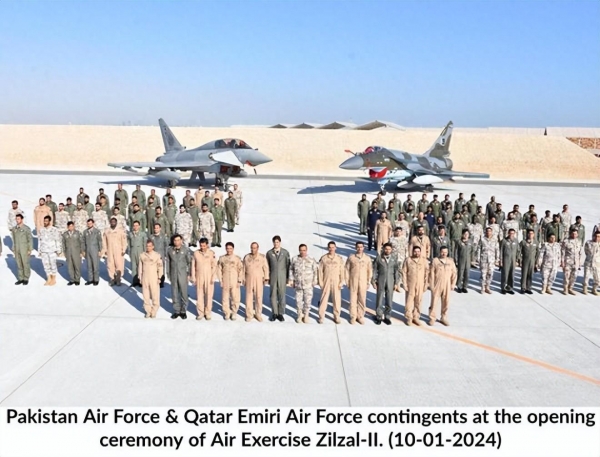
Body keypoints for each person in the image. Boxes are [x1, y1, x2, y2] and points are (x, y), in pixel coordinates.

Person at [288, 244, 318, 324]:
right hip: (298, 284)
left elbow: (315, 270)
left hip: (308, 284)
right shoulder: (295, 259)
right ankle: (299, 314)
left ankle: (306, 314)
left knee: (307, 301)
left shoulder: (311, 259)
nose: (302, 252)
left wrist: (315, 281)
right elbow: (291, 270)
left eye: (304, 250)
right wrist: (291, 280)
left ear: (306, 250)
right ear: (299, 250)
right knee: (298, 301)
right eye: (301, 250)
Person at [372, 242, 400, 325]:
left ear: (391, 250)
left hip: (390, 281)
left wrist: (396, 282)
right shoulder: (378, 258)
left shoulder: (394, 259)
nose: (387, 250)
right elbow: (374, 270)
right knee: (379, 298)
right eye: (386, 249)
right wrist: (373, 281)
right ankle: (378, 316)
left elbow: (396, 271)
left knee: (389, 299)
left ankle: (387, 316)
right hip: (381, 280)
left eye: (389, 249)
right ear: (383, 249)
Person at [317, 241, 345, 324]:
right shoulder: (324, 258)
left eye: (333, 247)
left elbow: (342, 271)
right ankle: (321, 316)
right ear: (327, 248)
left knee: (336, 299)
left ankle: (336, 316)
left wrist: (341, 282)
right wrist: (320, 282)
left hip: (336, 281)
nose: (331, 249)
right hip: (326, 280)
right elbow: (320, 271)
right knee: (324, 299)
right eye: (330, 247)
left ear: (335, 248)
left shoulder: (339, 258)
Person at [345, 241, 372, 325]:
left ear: (363, 248)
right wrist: (347, 281)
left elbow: (369, 271)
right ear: (355, 247)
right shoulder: (351, 257)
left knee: (362, 300)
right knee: (353, 300)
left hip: (363, 281)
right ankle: (353, 316)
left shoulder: (367, 258)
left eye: (361, 247)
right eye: (358, 247)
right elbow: (347, 270)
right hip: (353, 281)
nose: (359, 248)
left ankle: (360, 316)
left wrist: (368, 282)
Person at [429, 246, 456, 326]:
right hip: (437, 283)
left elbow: (454, 273)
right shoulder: (435, 261)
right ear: (440, 252)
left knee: (446, 302)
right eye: (442, 252)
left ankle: (443, 317)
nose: (444, 254)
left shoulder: (450, 261)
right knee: (434, 301)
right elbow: (431, 273)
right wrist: (431, 285)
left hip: (447, 284)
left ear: (447, 253)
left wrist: (453, 284)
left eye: (445, 252)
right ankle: (432, 318)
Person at [191, 238, 217, 320]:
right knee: (199, 295)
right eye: (201, 245)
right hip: (199, 276)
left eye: (204, 246)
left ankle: (208, 312)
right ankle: (200, 313)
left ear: (207, 245)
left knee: (209, 295)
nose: (202, 247)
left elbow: (214, 266)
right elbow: (193, 266)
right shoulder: (196, 253)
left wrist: (213, 277)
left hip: (209, 276)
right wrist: (193, 277)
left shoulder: (211, 253)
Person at [402, 245, 429, 326]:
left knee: (418, 301)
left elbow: (427, 273)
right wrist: (404, 284)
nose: (417, 253)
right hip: (411, 284)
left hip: (420, 284)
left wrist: (426, 284)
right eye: (415, 251)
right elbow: (404, 272)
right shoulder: (408, 260)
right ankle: (409, 317)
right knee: (409, 301)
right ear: (412, 252)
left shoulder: (424, 261)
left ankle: (416, 317)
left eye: (418, 251)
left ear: (420, 252)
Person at [242, 242, 269, 322]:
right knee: (248, 297)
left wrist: (266, 278)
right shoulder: (247, 257)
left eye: (254, 248)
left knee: (258, 297)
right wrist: (243, 278)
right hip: (249, 278)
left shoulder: (262, 257)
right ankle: (249, 314)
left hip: (259, 279)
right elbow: (243, 268)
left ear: (257, 248)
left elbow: (266, 268)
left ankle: (258, 314)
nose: (253, 249)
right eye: (252, 248)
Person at [167, 234, 192, 319]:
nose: (177, 242)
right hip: (173, 274)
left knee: (183, 293)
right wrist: (168, 273)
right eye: (175, 240)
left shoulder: (185, 250)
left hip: (183, 274)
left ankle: (183, 310)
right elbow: (168, 262)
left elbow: (189, 262)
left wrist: (189, 274)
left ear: (181, 241)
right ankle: (176, 310)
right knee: (174, 293)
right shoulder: (170, 250)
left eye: (178, 240)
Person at [266, 236, 290, 321]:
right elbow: (267, 266)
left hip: (282, 277)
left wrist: (287, 277)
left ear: (280, 242)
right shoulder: (269, 253)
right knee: (273, 295)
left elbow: (288, 265)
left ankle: (280, 313)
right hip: (273, 276)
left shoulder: (285, 252)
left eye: (277, 242)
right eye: (274, 242)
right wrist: (267, 277)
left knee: (282, 295)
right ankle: (274, 313)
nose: (276, 244)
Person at [217, 242, 244, 320]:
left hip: (234, 280)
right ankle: (227, 312)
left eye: (230, 248)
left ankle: (234, 312)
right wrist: (220, 280)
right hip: (225, 280)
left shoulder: (237, 259)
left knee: (235, 297)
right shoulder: (222, 258)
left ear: (233, 249)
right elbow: (219, 270)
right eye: (227, 248)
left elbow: (241, 270)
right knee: (225, 298)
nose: (229, 250)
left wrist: (239, 280)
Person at [138, 240, 163, 318]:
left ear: (153, 247)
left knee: (155, 295)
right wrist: (140, 277)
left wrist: (159, 277)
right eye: (147, 246)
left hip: (154, 277)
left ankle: (154, 310)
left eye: (150, 246)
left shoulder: (157, 255)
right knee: (146, 295)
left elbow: (160, 267)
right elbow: (140, 267)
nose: (148, 247)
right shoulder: (142, 255)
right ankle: (148, 311)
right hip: (145, 277)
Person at [102, 217, 127, 287]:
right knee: (110, 264)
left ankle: (118, 278)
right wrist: (105, 250)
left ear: (116, 223)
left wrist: (124, 249)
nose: (113, 223)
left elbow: (124, 241)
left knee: (119, 264)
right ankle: (112, 278)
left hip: (118, 250)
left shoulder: (120, 231)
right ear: (110, 223)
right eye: (112, 222)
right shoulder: (107, 231)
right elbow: (104, 241)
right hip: (110, 250)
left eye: (114, 222)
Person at [38, 215, 62, 286]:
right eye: (44, 221)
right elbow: (40, 240)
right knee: (46, 265)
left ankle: (53, 279)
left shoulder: (54, 229)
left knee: (53, 264)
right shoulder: (41, 230)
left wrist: (58, 249)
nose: (45, 222)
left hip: (52, 250)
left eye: (46, 221)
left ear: (49, 221)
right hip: (44, 250)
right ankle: (48, 278)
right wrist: (39, 250)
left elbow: (57, 240)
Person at [12, 214, 33, 285]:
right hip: (17, 248)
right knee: (19, 264)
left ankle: (26, 278)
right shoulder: (14, 229)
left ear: (22, 219)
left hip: (24, 248)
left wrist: (30, 249)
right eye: (16, 219)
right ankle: (20, 278)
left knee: (25, 263)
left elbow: (30, 239)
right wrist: (14, 248)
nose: (17, 220)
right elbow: (13, 239)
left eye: (18, 219)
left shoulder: (26, 228)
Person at [518, 229, 539, 294]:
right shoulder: (523, 242)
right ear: (527, 234)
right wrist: (519, 260)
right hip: (525, 260)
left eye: (532, 233)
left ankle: (528, 288)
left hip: (532, 261)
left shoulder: (536, 242)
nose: (530, 235)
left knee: (530, 275)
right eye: (529, 233)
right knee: (524, 274)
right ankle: (523, 288)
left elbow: (538, 253)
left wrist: (536, 262)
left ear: (534, 234)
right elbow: (519, 251)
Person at [561, 228, 582, 295]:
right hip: (568, 261)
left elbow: (580, 253)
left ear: (577, 234)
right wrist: (562, 262)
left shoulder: (579, 241)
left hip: (576, 262)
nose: (574, 235)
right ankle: (565, 289)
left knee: (574, 276)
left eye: (575, 234)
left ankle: (570, 288)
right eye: (573, 234)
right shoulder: (566, 241)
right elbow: (563, 252)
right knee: (566, 276)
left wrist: (580, 262)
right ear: (570, 234)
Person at [479, 227, 500, 294]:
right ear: (485, 232)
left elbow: (497, 249)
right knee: (483, 274)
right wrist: (478, 259)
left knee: (490, 274)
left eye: (490, 231)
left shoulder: (495, 240)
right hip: (484, 259)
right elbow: (479, 249)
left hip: (491, 260)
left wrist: (497, 259)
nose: (488, 232)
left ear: (491, 232)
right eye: (487, 231)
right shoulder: (482, 239)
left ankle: (487, 287)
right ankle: (482, 287)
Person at [62, 221, 83, 286]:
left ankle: (77, 279)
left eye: (72, 226)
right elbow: (63, 244)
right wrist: (64, 252)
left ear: (74, 226)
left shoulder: (78, 233)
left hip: (76, 252)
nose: (71, 227)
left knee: (77, 266)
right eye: (69, 226)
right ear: (67, 227)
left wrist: (81, 252)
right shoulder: (65, 234)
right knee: (70, 267)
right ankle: (72, 279)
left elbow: (81, 243)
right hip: (68, 252)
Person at [82, 219, 102, 286]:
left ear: (93, 223)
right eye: (88, 223)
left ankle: (96, 279)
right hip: (88, 250)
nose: (89, 225)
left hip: (95, 250)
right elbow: (83, 241)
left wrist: (100, 250)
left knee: (95, 266)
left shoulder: (97, 231)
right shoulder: (85, 232)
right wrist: (83, 250)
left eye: (90, 223)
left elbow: (100, 241)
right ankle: (90, 279)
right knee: (89, 266)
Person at [128, 220, 147, 287]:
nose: (135, 227)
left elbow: (144, 244)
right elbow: (129, 244)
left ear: (139, 226)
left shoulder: (143, 234)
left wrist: (145, 253)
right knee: (133, 266)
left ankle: (141, 281)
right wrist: (129, 252)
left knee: (140, 266)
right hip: (133, 250)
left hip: (140, 250)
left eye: (137, 225)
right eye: (134, 225)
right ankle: (134, 281)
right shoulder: (130, 234)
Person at [499, 229, 518, 294]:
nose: (511, 235)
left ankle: (510, 288)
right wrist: (500, 260)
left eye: (513, 233)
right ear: (508, 233)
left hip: (513, 260)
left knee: (512, 274)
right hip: (506, 259)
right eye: (510, 233)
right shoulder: (504, 241)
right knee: (505, 274)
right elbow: (501, 251)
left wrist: (517, 260)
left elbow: (518, 251)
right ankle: (503, 288)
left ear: (514, 234)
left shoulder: (516, 241)